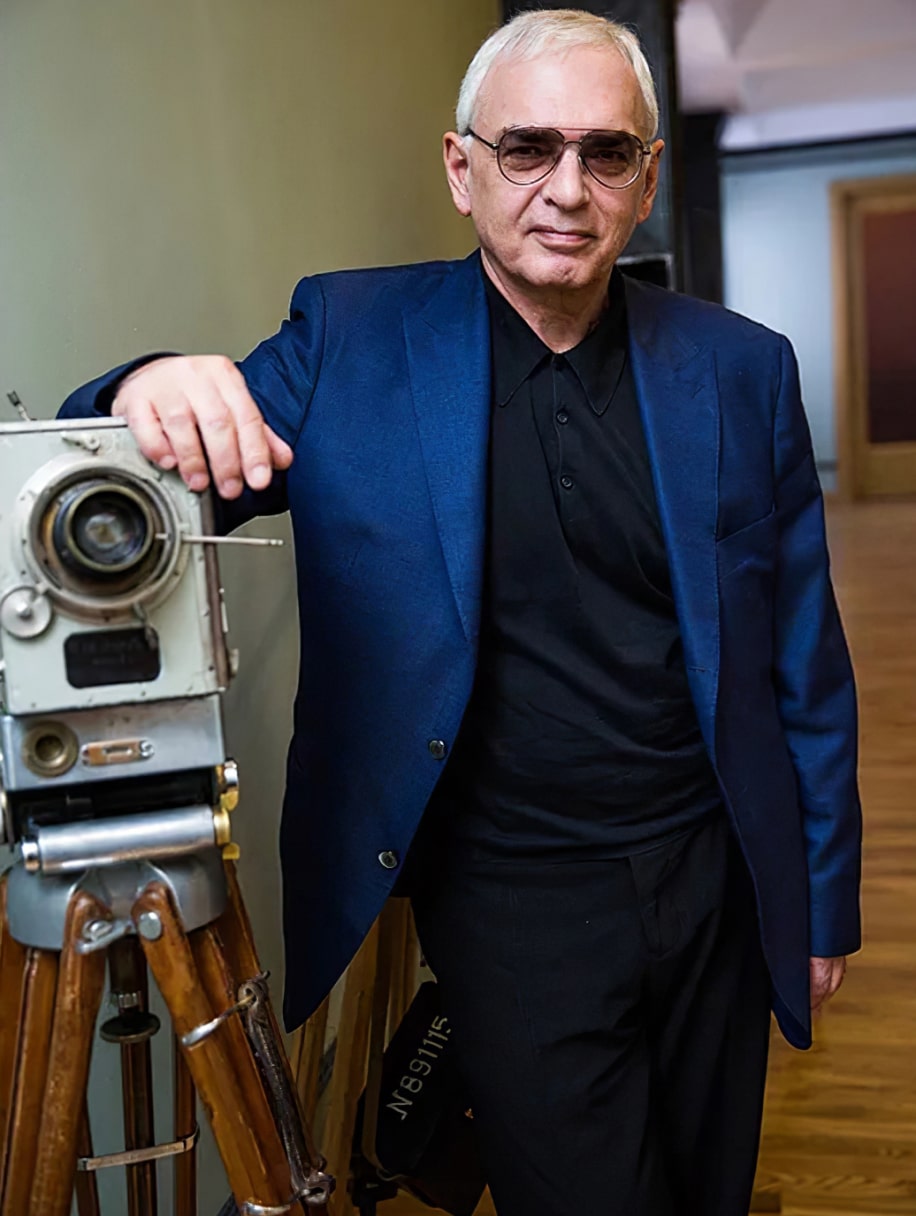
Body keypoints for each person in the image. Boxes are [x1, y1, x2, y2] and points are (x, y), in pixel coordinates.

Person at [60, 10, 862, 1215]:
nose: (566, 190)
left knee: (710, 1186)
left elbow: (805, 661)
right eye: (527, 148)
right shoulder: (347, 340)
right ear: (461, 167)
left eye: (605, 153)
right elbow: (132, 471)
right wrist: (145, 383)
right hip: (505, 890)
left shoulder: (741, 367)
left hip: (715, 873)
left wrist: (819, 896)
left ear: (647, 180)